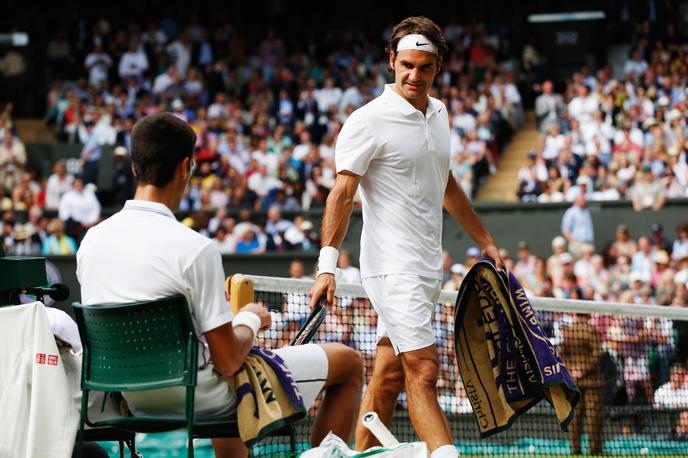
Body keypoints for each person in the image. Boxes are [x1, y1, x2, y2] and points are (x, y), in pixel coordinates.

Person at [76, 113, 363, 458]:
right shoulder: (196, 249)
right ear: (186, 167)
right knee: (348, 363)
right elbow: (227, 361)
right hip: (197, 397)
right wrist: (250, 318)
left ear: (135, 168)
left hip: (129, 400)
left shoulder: (90, 242)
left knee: (228, 375)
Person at [308, 17, 503, 458]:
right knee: (425, 371)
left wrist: (486, 239)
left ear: (438, 69)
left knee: (389, 378)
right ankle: (446, 454)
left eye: (425, 67)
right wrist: (327, 267)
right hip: (392, 268)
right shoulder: (367, 120)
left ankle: (354, 454)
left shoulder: (440, 113)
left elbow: (446, 182)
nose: (415, 75)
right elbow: (342, 193)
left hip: (425, 267)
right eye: (407, 65)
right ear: (392, 62)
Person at [559, 314, 604, 455]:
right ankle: (594, 451)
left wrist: (572, 370)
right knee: (593, 418)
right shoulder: (591, 330)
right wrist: (582, 371)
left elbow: (561, 354)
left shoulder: (570, 330)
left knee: (575, 417)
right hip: (592, 382)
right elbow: (598, 353)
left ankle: (575, 450)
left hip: (574, 381)